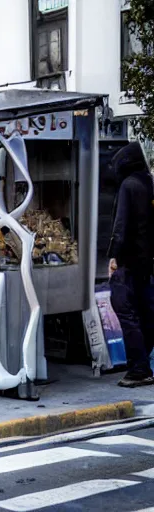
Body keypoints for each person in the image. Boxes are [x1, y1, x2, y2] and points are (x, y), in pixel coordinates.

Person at [108, 141, 154, 387]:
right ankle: (142, 361)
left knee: (125, 310)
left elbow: (121, 226)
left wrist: (114, 257)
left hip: (127, 262)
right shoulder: (148, 183)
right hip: (146, 263)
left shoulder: (128, 186)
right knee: (146, 313)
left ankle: (139, 367)